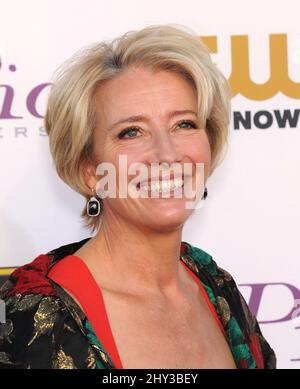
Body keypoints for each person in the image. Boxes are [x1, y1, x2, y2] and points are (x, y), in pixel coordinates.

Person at [0, 24, 276, 369]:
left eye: (184, 124)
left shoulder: (216, 286)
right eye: (131, 132)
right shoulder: (34, 317)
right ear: (89, 168)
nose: (167, 154)